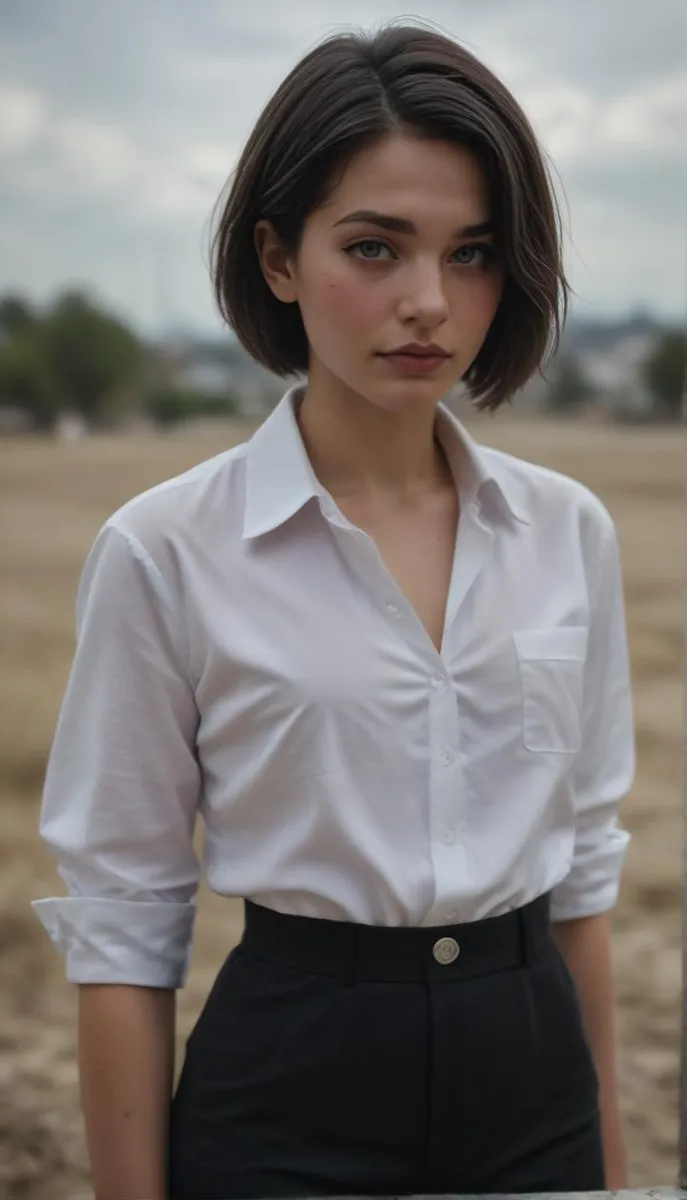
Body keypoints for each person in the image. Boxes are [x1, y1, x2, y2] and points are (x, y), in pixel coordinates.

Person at [32, 20, 635, 1200]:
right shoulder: (165, 551)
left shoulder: (571, 534)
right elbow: (124, 919)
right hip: (287, 1096)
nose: (429, 301)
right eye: (375, 247)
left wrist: (604, 1180)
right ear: (277, 259)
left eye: (472, 253)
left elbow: (585, 880)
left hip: (536, 1084)